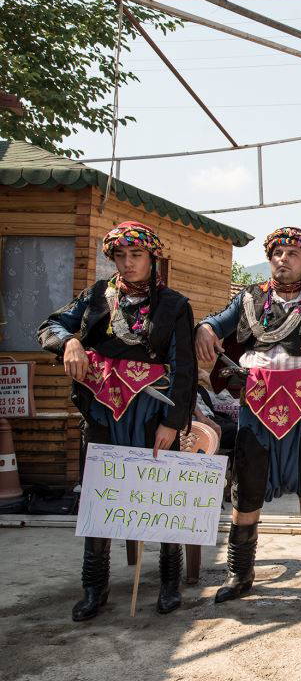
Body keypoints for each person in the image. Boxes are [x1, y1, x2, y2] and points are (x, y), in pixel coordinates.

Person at [196, 227, 301, 603]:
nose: (282, 259)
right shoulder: (248, 298)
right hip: (255, 406)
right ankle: (239, 574)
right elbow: (218, 321)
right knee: (247, 488)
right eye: (277, 252)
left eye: (292, 253)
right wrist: (206, 328)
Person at [39, 221, 197, 620]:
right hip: (103, 410)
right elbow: (50, 325)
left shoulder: (174, 305)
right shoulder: (95, 297)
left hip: (152, 413)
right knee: (101, 493)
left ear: (152, 258)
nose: (127, 263)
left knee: (161, 496)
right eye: (120, 256)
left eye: (136, 255)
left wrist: (172, 422)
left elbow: (183, 367)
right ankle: (94, 589)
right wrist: (71, 341)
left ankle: (168, 585)